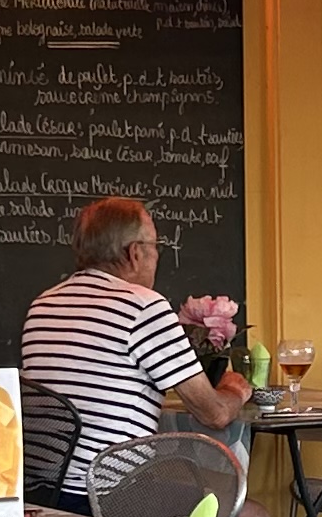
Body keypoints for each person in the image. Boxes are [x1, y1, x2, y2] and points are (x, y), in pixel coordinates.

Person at [20, 194, 248, 500]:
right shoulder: (143, 306)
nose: (158, 255)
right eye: (155, 246)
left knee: (194, 484)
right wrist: (235, 390)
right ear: (134, 253)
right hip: (107, 495)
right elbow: (215, 414)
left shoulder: (43, 304)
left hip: (43, 493)